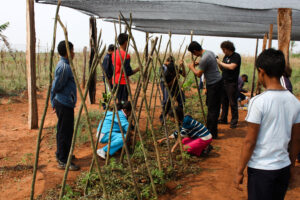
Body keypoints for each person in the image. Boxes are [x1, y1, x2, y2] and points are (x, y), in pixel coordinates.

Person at [235, 49, 300, 200]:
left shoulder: (259, 102)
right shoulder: (295, 102)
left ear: (261, 71)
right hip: (283, 168)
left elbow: (250, 141)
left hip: (261, 169)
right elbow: (296, 140)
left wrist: (239, 170)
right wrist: (291, 166)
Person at [50, 41, 80, 171]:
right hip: (63, 103)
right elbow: (56, 86)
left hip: (65, 102)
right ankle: (63, 160)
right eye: (72, 51)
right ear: (68, 52)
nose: (73, 53)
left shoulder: (65, 65)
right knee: (65, 132)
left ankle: (62, 154)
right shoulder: (64, 67)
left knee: (64, 130)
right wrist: (53, 101)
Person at [188, 41, 223, 139]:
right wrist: (198, 62)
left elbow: (198, 74)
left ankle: (212, 133)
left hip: (214, 85)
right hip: (217, 82)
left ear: (195, 51)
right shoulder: (209, 52)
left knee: (212, 110)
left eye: (193, 53)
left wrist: (191, 67)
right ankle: (211, 130)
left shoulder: (204, 58)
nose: (194, 55)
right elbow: (210, 61)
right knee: (212, 107)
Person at [217, 41, 241, 128]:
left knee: (233, 102)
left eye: (224, 49)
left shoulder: (236, 56)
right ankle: (223, 119)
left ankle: (234, 121)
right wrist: (218, 63)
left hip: (231, 83)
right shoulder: (225, 57)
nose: (223, 51)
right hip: (224, 81)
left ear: (228, 48)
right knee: (224, 102)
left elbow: (232, 67)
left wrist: (220, 62)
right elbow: (223, 68)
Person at [112, 33, 140, 103]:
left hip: (115, 80)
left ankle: (119, 112)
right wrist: (138, 69)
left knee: (119, 101)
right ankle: (122, 113)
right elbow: (128, 72)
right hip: (123, 82)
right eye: (128, 41)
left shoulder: (114, 53)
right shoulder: (126, 55)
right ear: (125, 42)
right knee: (124, 102)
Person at [159, 56, 186, 123]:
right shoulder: (165, 74)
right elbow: (166, 85)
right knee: (167, 102)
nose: (173, 73)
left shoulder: (175, 68)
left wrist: (182, 66)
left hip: (176, 87)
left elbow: (184, 74)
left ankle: (179, 117)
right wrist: (175, 79)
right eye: (172, 72)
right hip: (169, 88)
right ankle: (162, 117)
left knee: (181, 101)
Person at [101, 44, 115, 109]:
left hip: (108, 77)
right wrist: (108, 78)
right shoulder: (107, 57)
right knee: (108, 91)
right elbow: (106, 69)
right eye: (114, 51)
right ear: (110, 50)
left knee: (108, 90)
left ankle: (105, 104)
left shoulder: (109, 57)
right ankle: (104, 105)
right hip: (107, 77)